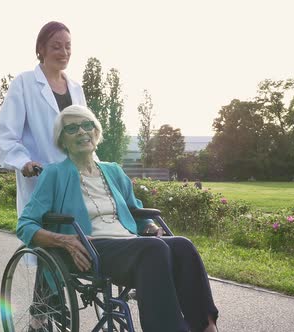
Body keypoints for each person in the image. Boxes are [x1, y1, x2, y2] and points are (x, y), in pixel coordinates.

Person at [17, 105, 219, 332]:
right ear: (62, 141)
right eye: (72, 128)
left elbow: (135, 210)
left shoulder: (112, 170)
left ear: (96, 132)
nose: (82, 132)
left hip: (130, 244)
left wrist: (150, 226)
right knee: (153, 249)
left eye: (87, 125)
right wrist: (64, 240)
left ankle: (206, 327)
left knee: (183, 245)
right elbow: (25, 225)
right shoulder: (55, 174)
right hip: (91, 249)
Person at [0, 21, 87, 215]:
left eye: (68, 46)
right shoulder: (24, 84)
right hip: (41, 178)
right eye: (56, 46)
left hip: (77, 179)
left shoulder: (76, 90)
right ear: (41, 49)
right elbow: (6, 136)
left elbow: (86, 134)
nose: (64, 52)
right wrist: (23, 163)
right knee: (47, 235)